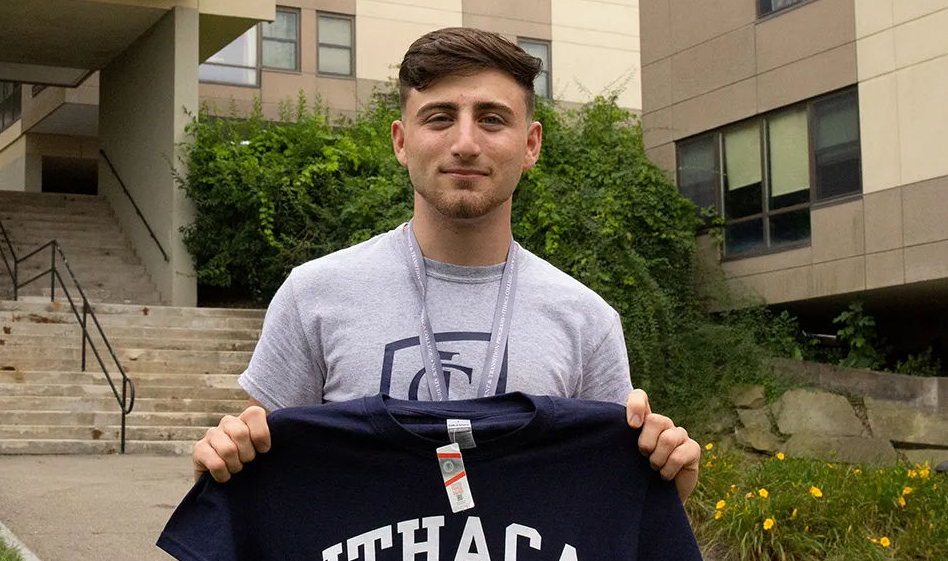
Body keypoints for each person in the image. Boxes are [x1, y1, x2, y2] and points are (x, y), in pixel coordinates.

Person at [191, 26, 700, 502]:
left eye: (492, 118)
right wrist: (220, 466)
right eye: (438, 117)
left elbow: (602, 504)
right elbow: (265, 482)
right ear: (400, 141)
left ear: (531, 144)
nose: (464, 143)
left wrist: (665, 485)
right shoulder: (315, 294)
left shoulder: (586, 319)